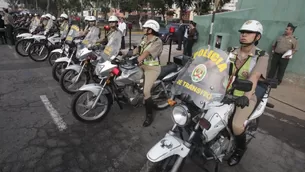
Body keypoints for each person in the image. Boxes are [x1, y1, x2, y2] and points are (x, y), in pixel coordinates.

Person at [225, 20, 269, 166]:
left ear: (257, 37)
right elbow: (216, 65)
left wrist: (246, 96)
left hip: (245, 95)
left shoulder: (261, 55)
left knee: (237, 125)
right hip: (223, 91)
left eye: (248, 32)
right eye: (242, 32)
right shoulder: (231, 51)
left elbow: (254, 77)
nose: (244, 35)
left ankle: (240, 149)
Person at [132, 19, 163, 127]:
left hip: (152, 68)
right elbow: (138, 49)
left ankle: (149, 115)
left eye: (145, 28)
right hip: (141, 66)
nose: (143, 29)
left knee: (146, 92)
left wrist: (138, 59)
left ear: (151, 30)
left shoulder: (157, 41)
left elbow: (147, 52)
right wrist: (124, 53)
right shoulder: (144, 38)